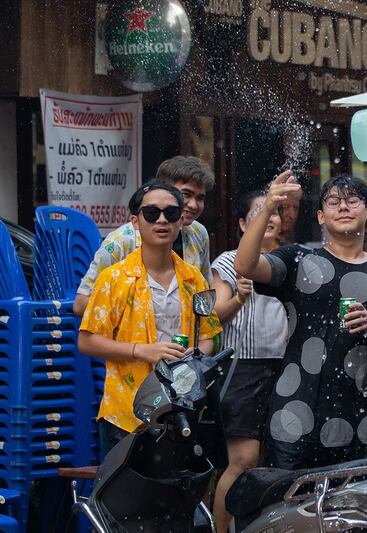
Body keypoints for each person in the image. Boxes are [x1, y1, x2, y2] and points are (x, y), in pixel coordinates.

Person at [235, 170, 367, 470]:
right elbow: (245, 265)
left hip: (362, 414)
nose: (342, 207)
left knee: (352, 509)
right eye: (333, 202)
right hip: (296, 408)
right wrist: (269, 205)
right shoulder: (298, 259)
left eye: (352, 201)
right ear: (320, 216)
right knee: (285, 509)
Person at [77, 182, 222, 456]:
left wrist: (194, 357)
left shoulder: (194, 278)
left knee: (177, 491)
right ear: (135, 221)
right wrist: (141, 351)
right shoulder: (115, 279)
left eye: (171, 212)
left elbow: (207, 337)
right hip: (127, 411)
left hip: (181, 407)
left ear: (181, 220)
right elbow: (86, 341)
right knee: (124, 496)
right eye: (152, 213)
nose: (162, 220)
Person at [210, 190, 288, 531]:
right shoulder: (229, 261)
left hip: (285, 368)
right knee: (242, 460)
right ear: (243, 224)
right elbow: (214, 316)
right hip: (241, 368)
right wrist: (241, 297)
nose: (268, 218)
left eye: (273, 212)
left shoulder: (289, 259)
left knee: (273, 460)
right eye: (259, 213)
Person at [74, 156, 215, 317]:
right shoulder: (121, 241)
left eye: (200, 198)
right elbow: (81, 304)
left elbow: (204, 296)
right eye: (186, 194)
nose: (193, 205)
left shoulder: (198, 233)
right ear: (162, 191)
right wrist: (136, 314)